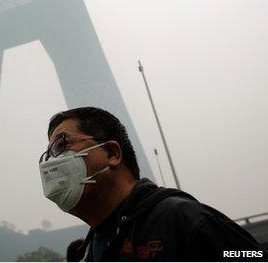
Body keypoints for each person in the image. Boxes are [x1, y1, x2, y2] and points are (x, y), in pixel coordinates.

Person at [38, 106, 266, 261]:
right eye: (48, 153)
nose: (52, 162)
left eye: (60, 145)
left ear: (111, 153)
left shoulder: (183, 220)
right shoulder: (87, 253)